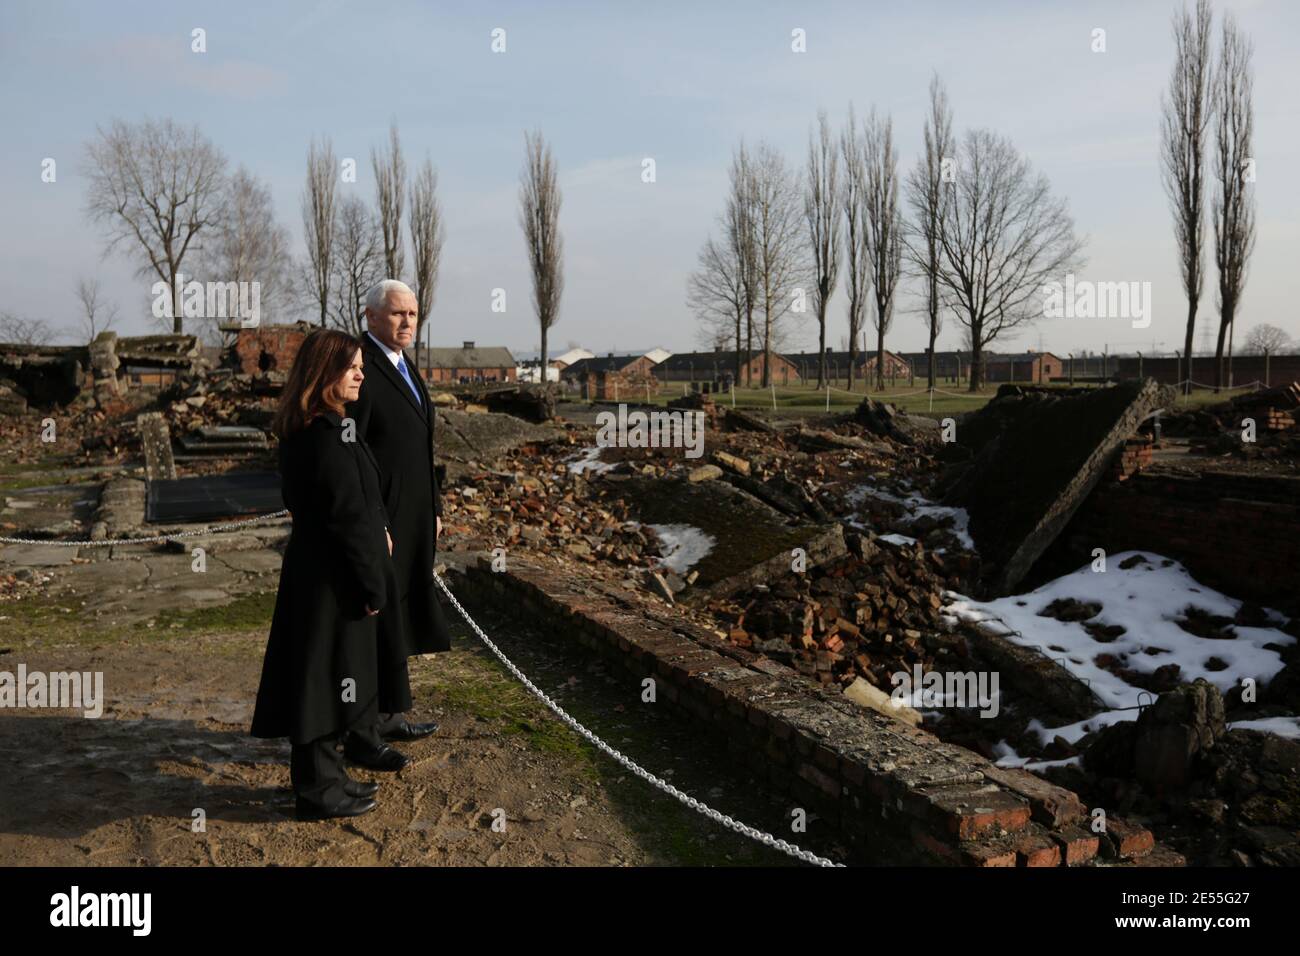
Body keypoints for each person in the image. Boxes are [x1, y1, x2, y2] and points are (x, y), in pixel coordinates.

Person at [250, 329, 400, 820]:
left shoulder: (332, 428)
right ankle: (316, 791)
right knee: (319, 681)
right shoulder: (321, 438)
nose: (361, 373)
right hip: (331, 582)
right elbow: (346, 520)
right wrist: (373, 584)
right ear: (325, 373)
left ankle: (329, 779)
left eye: (361, 364)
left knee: (337, 677)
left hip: (327, 575)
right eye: (351, 366)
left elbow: (361, 504)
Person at [339, 279, 451, 769]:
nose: (408, 322)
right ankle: (360, 730)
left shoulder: (405, 366)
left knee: (398, 617)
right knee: (373, 621)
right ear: (370, 316)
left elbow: (421, 447)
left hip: (414, 517)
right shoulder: (359, 367)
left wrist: (436, 507)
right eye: (397, 314)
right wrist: (373, 519)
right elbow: (352, 450)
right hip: (381, 519)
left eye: (413, 314)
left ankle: (389, 713)